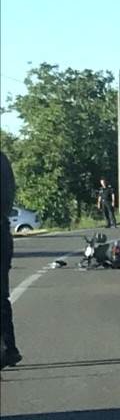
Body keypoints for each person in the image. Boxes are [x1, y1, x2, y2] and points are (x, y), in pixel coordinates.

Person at [1, 151, 22, 370]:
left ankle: (8, 348)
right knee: (1, 296)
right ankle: (8, 347)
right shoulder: (3, 160)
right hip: (2, 232)